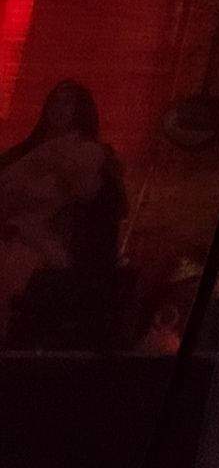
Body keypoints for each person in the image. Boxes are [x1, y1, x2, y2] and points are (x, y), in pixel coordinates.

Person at [0, 81, 126, 348]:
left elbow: (84, 200)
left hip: (45, 242)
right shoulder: (24, 154)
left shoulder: (88, 155)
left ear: (81, 110)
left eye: (67, 102)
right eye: (55, 101)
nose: (59, 108)